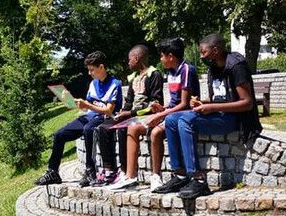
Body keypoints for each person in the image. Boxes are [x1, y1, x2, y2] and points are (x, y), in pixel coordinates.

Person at [155, 33, 261, 199]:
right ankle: (180, 174)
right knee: (171, 119)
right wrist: (202, 103)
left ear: (216, 50)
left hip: (235, 118)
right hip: (218, 113)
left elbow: (247, 103)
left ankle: (198, 179)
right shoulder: (214, 67)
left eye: (204, 52)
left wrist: (211, 107)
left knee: (185, 120)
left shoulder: (236, 66)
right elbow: (220, 97)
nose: (201, 56)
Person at [114, 38, 199, 192]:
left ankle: (156, 176)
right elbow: (174, 102)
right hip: (171, 113)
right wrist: (161, 108)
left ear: (171, 56)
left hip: (183, 114)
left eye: (162, 56)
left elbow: (185, 104)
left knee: (156, 132)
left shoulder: (186, 70)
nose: (160, 59)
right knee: (132, 128)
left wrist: (160, 114)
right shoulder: (171, 72)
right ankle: (130, 176)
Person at [35, 51, 122, 187]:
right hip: (90, 116)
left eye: (92, 70)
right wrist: (72, 102)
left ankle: (90, 171)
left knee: (88, 129)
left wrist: (87, 105)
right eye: (88, 70)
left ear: (101, 67)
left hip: (104, 118)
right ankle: (53, 171)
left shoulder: (115, 84)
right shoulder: (93, 84)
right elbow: (87, 108)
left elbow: (108, 110)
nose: (90, 73)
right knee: (59, 134)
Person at [94, 45, 163, 189]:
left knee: (123, 129)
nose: (128, 63)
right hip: (131, 115)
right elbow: (129, 102)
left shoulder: (154, 75)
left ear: (137, 59)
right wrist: (121, 114)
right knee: (105, 127)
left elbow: (155, 103)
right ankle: (115, 170)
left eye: (130, 60)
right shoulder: (133, 78)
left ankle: (128, 172)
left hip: (147, 116)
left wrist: (130, 114)